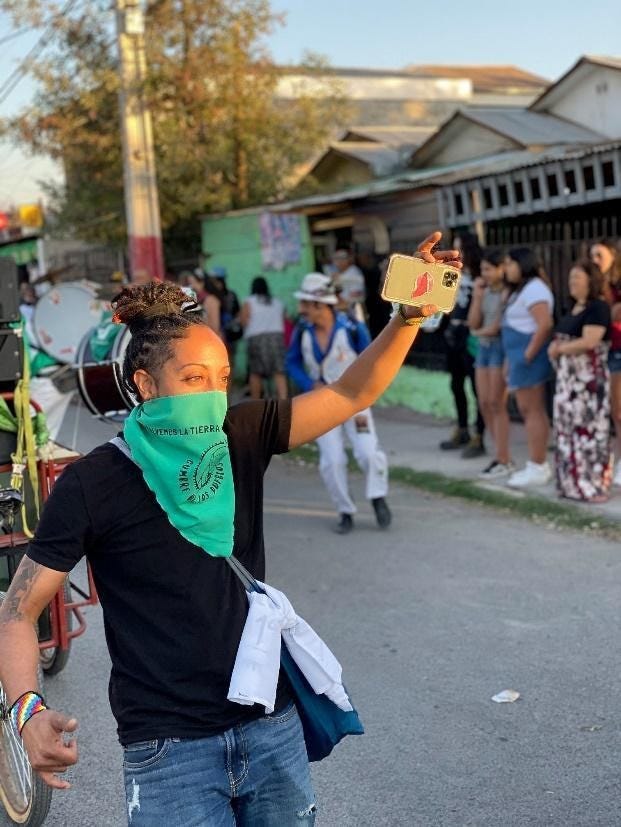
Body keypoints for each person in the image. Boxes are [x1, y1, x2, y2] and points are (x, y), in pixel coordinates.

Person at [0, 233, 460, 825]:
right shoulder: (92, 483)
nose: (214, 395)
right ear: (145, 386)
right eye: (193, 378)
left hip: (272, 728)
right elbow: (18, 609)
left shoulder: (242, 434)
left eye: (220, 378)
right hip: (168, 752)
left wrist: (408, 316)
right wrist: (27, 709)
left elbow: (352, 390)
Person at [286, 273, 391, 535]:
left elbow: (372, 359)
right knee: (331, 460)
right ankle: (345, 510)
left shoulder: (353, 327)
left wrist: (367, 390)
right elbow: (292, 362)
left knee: (368, 451)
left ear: (320, 305)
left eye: (306, 304)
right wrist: (310, 385)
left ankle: (377, 496)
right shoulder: (303, 331)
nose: (302, 310)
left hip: (356, 402)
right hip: (320, 404)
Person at [548, 260, 611, 502]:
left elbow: (590, 341)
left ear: (591, 281)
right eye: (571, 277)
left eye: (578, 277)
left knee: (588, 431)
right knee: (566, 430)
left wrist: (560, 348)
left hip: (587, 384)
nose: (572, 282)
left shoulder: (598, 308)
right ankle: (570, 482)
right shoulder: (573, 307)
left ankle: (590, 484)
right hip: (567, 382)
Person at [502, 247, 554, 488]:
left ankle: (538, 464)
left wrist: (527, 355)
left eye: (510, 263)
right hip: (518, 358)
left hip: (528, 359)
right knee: (527, 410)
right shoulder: (520, 290)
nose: (507, 269)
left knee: (532, 410)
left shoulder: (535, 288)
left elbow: (544, 325)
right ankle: (536, 464)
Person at [467, 248, 513, 478]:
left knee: (496, 402)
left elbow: (495, 326)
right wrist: (476, 297)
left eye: (488, 269)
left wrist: (478, 332)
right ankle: (499, 454)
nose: (483, 273)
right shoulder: (483, 292)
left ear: (500, 269)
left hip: (498, 347)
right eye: (482, 269)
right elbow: (473, 322)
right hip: (483, 348)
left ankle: (504, 457)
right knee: (484, 402)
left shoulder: (507, 293)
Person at [439, 232, 485, 458]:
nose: (458, 254)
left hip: (472, 332)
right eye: (455, 249)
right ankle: (462, 427)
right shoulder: (452, 273)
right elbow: (445, 302)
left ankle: (480, 434)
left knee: (477, 387)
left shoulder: (479, 275)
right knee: (456, 384)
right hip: (453, 331)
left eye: (462, 249)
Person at [590, 239, 621, 485]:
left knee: (619, 411)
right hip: (602, 351)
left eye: (600, 255)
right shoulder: (596, 286)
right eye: (592, 256)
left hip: (618, 350)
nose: (595, 261)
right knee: (611, 411)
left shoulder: (616, 285)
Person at [240, 276, 288, 400]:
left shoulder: (249, 301)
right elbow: (284, 319)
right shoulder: (277, 301)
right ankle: (283, 400)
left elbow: (244, 321)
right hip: (277, 338)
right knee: (279, 371)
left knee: (256, 373)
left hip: (256, 339)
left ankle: (255, 402)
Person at [331, 248, 366, 322]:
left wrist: (339, 298)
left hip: (353, 311)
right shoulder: (337, 272)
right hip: (340, 312)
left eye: (341, 259)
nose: (338, 262)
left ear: (348, 260)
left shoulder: (354, 272)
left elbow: (356, 295)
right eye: (336, 259)